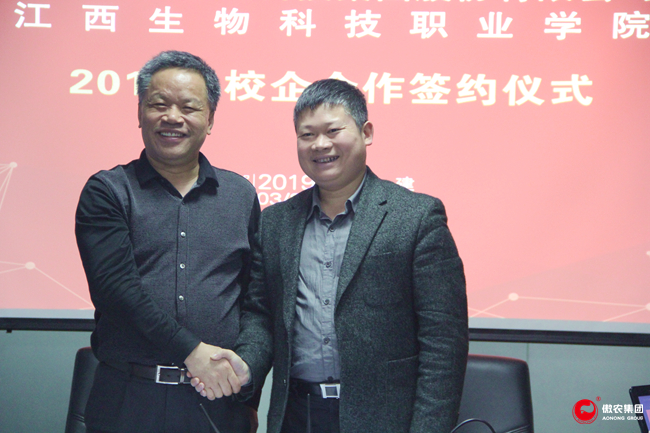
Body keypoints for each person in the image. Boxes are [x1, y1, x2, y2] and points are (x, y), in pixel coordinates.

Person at [197, 78, 469, 433]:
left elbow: (443, 344)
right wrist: (247, 365)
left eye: (333, 131)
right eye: (307, 135)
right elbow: (262, 317)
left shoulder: (416, 217)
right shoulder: (276, 222)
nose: (320, 144)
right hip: (298, 415)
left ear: (366, 132)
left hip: (386, 421)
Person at [75, 50, 258, 433]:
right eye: (159, 104)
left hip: (216, 403)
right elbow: (116, 291)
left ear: (210, 119)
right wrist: (192, 352)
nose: (173, 117)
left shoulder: (240, 195)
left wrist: (244, 377)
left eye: (189, 107)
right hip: (128, 401)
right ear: (140, 112)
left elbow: (254, 300)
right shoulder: (108, 191)